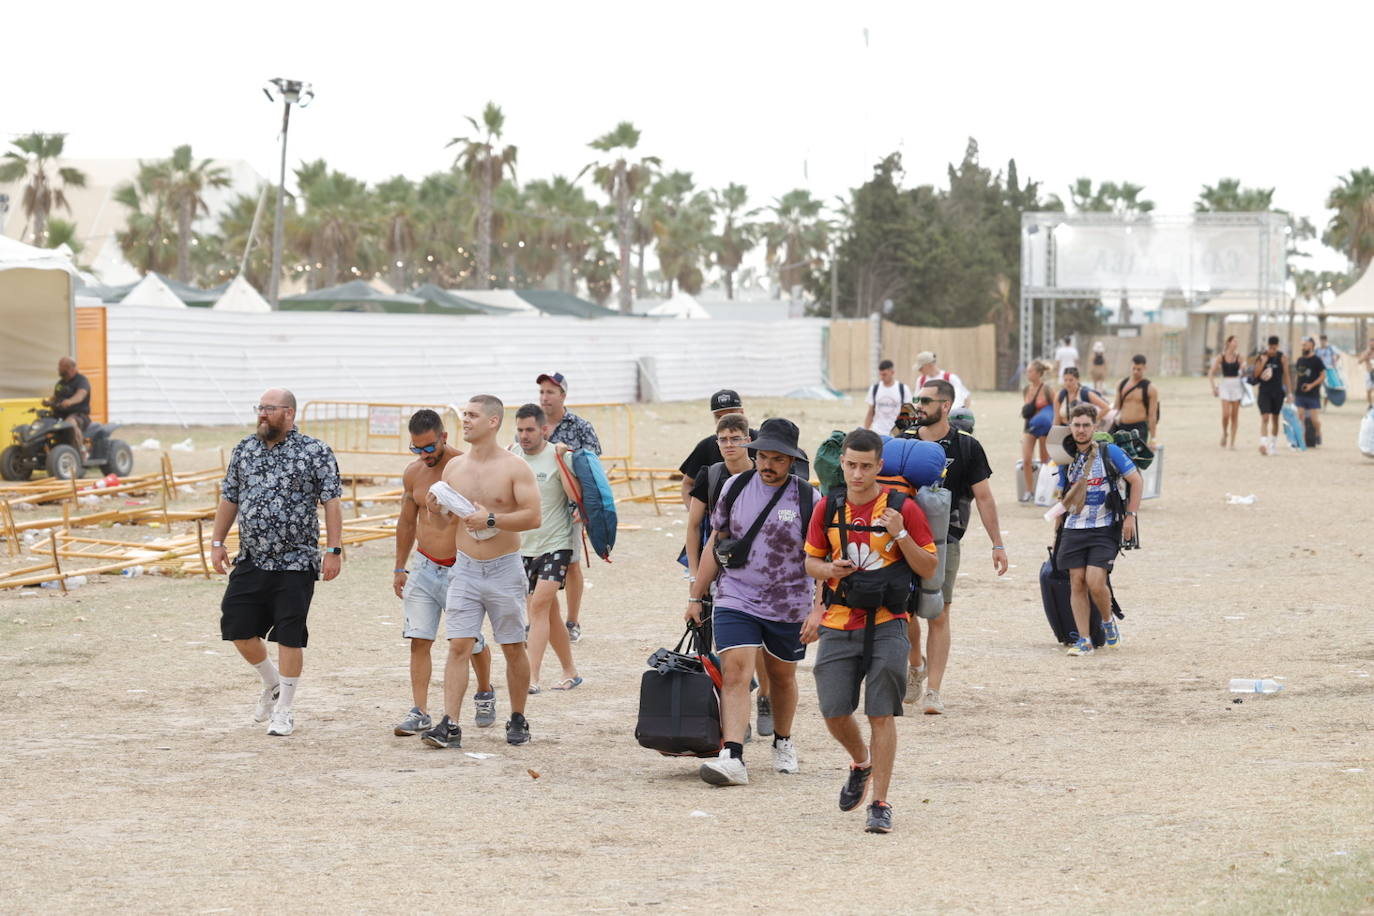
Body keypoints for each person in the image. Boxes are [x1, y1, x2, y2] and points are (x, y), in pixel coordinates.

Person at [803, 428, 937, 834]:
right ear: (841, 463)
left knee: (881, 712)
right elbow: (811, 563)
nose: (857, 474)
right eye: (850, 465)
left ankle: (880, 802)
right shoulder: (827, 508)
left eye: (865, 466)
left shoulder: (903, 508)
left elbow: (928, 567)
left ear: (880, 466)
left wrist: (899, 533)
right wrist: (829, 570)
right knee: (833, 710)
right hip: (840, 620)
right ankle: (861, 762)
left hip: (888, 623)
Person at [687, 418, 818, 787]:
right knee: (736, 673)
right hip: (736, 595)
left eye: (777, 459)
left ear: (791, 461)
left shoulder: (809, 499)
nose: (767, 465)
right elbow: (717, 540)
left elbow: (821, 557)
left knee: (781, 678)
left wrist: (818, 608)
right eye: (762, 456)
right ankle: (732, 755)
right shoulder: (735, 486)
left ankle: (783, 740)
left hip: (789, 603)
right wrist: (697, 595)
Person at [211, 389, 342, 737]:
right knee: (237, 628)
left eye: (269, 409)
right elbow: (230, 497)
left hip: (296, 560)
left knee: (289, 634)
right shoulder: (244, 450)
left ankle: (284, 709)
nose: (262, 415)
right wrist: (217, 542)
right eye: (260, 408)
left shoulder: (314, 452)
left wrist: (334, 549)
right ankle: (271, 683)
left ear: (289, 413)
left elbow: (331, 501)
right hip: (252, 557)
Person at [420, 395, 541, 750]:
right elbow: (445, 517)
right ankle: (450, 724)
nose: (465, 421)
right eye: (465, 416)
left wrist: (492, 518)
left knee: (512, 646)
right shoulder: (454, 468)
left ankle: (518, 717)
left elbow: (533, 516)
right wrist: (434, 508)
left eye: (472, 416)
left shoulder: (515, 467)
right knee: (459, 644)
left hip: (504, 567)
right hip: (466, 568)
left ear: (492, 421)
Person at [903, 379, 1008, 715]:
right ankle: (915, 665)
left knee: (938, 611)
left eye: (927, 401)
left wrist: (998, 544)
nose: (920, 406)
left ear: (945, 406)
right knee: (903, 613)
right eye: (918, 400)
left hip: (945, 541)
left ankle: (933, 690)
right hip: (902, 540)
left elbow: (984, 497)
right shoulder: (902, 443)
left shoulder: (966, 448)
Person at [391, 409, 495, 738]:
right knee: (419, 639)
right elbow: (407, 522)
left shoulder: (467, 469)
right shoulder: (414, 473)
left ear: (444, 438)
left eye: (428, 448)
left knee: (470, 642)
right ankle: (420, 710)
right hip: (423, 566)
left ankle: (484, 691)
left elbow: (484, 520)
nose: (424, 455)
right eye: (416, 449)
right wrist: (399, 566)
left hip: (460, 568)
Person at [1055, 404, 1143, 657]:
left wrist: (1130, 516)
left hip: (1104, 527)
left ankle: (1107, 621)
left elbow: (1135, 480)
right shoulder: (1066, 457)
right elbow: (1064, 495)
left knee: (1095, 581)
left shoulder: (1109, 452)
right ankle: (1084, 640)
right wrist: (1057, 527)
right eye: (1076, 425)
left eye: (1085, 425)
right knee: (1077, 582)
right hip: (1074, 527)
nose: (1081, 430)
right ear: (1070, 426)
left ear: (1095, 427)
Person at [513, 404, 583, 693]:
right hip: (523, 545)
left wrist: (562, 461)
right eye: (519, 430)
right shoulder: (512, 456)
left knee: (539, 606)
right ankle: (571, 671)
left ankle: (532, 677)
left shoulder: (557, 455)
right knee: (550, 612)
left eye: (530, 429)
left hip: (557, 543)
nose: (524, 435)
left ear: (544, 429)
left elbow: (576, 496)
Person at [536, 372, 599, 643]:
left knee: (571, 565)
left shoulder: (581, 427)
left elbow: (593, 471)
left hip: (570, 506)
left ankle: (572, 622)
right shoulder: (531, 425)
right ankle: (540, 621)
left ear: (563, 395)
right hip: (539, 506)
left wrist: (583, 506)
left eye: (550, 392)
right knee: (536, 563)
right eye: (541, 392)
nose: (544, 397)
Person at [1019, 360, 1055, 502]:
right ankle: (1029, 491)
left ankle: (1043, 491)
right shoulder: (1026, 389)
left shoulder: (1047, 389)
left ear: (1039, 373)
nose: (1028, 374)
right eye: (1027, 371)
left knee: (1044, 460)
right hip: (1030, 426)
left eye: (1030, 371)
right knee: (1027, 459)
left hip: (1045, 428)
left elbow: (1055, 407)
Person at [1252, 336, 1292, 456]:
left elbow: (1286, 375)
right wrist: (1263, 362)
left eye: (1274, 348)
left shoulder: (1282, 357)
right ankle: (1263, 444)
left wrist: (1289, 393)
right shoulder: (1262, 356)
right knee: (1265, 417)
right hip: (1264, 391)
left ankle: (1273, 445)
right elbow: (1255, 374)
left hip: (1278, 392)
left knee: (1275, 418)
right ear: (1268, 346)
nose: (1272, 350)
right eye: (1270, 348)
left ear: (1277, 346)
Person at [1113, 355, 1159, 446]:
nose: (1135, 371)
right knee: (1120, 458)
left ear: (1144, 368)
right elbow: (1116, 407)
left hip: (1140, 428)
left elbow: (1152, 415)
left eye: (1139, 369)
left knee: (1137, 459)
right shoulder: (1121, 384)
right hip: (1122, 427)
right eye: (1133, 368)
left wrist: (1153, 438)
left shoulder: (1151, 388)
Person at [1207, 335, 1244, 449]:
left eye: (1237, 341)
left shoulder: (1239, 357)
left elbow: (1244, 370)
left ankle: (1232, 442)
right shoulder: (1221, 357)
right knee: (1225, 415)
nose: (1236, 343)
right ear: (1228, 343)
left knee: (1234, 416)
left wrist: (1244, 369)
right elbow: (1211, 372)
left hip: (1237, 385)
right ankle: (1224, 433)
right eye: (1234, 341)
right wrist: (1214, 387)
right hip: (1225, 386)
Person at [42, 357, 92, 431]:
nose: (58, 369)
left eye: (60, 366)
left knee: (70, 424)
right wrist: (49, 402)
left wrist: (70, 401)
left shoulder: (81, 380)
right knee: (42, 423)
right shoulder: (60, 383)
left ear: (69, 368)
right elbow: (56, 397)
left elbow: (80, 395)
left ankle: (76, 442)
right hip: (59, 414)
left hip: (77, 415)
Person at [1293, 337, 1325, 447]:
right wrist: (1294, 391)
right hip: (1300, 394)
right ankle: (1301, 439)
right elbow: (1297, 376)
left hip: (1312, 394)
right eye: (1302, 345)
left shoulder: (1317, 360)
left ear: (1311, 346)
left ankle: (1318, 432)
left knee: (1314, 419)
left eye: (1305, 345)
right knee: (1300, 416)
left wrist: (1311, 385)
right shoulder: (1300, 360)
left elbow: (1322, 376)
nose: (1303, 347)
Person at [864, 359, 908, 434]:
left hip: (896, 433)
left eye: (884, 374)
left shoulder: (903, 389)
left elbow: (908, 412)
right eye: (880, 374)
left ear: (892, 372)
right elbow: (870, 412)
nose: (882, 377)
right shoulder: (874, 389)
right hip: (878, 432)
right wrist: (865, 431)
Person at [1359, 337, 1374, 408]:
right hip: (1369, 372)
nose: (1372, 345)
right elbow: (1359, 361)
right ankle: (1370, 405)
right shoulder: (1366, 352)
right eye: (1370, 343)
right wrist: (1366, 356)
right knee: (1368, 390)